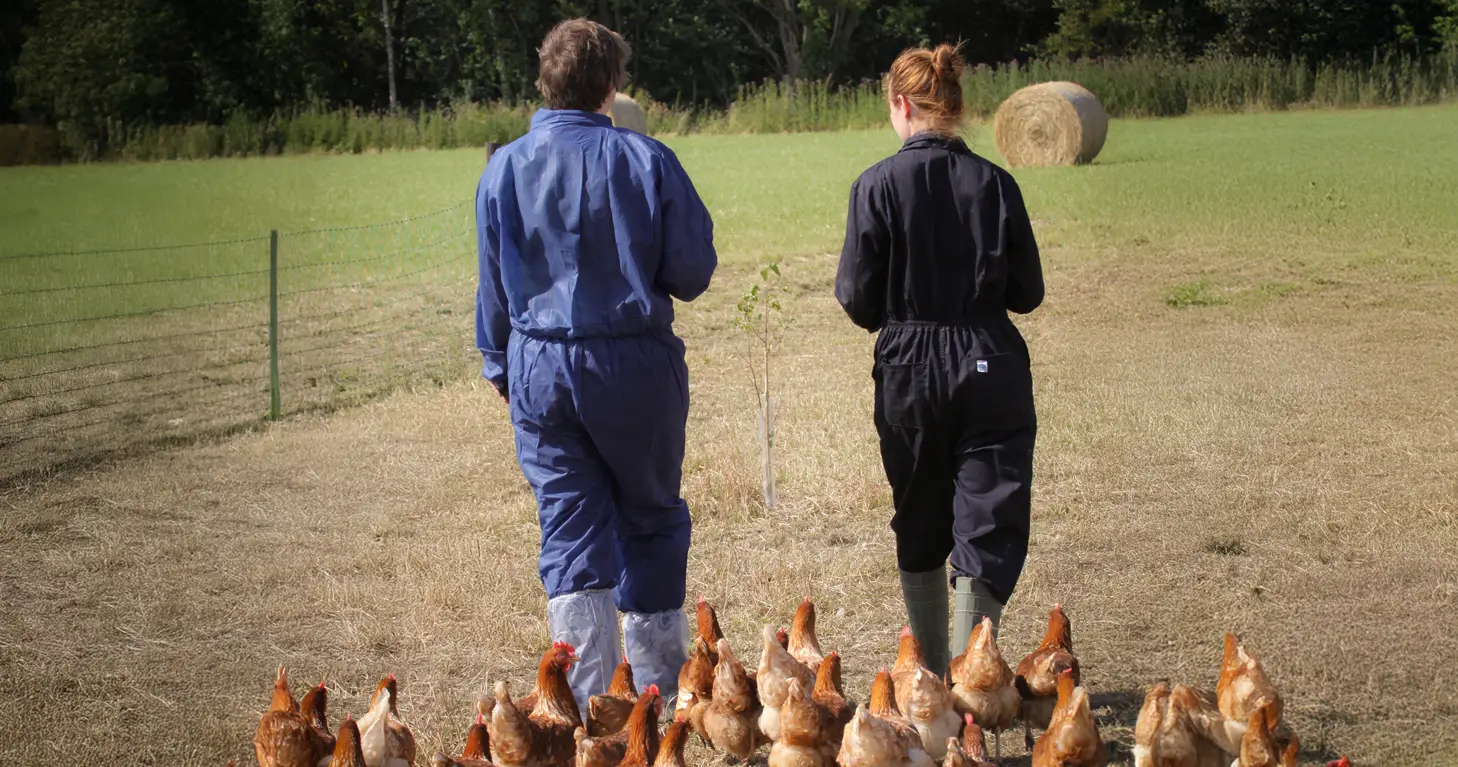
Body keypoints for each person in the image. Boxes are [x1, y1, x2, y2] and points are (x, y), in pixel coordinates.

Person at [474, 18, 717, 713]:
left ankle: (587, 712)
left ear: (544, 84)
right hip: (634, 361)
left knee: (569, 528)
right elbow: (694, 270)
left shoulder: (503, 168)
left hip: (539, 366)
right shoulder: (649, 160)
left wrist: (501, 367)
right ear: (611, 87)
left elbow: (491, 285)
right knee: (650, 517)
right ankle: (656, 701)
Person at [834, 43, 1044, 677]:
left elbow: (857, 297)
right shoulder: (997, 183)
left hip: (909, 367)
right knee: (987, 520)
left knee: (920, 519)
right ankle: (970, 676)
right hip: (990, 361)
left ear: (900, 104)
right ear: (955, 105)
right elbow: (1027, 293)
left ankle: (927, 678)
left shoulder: (874, 185)